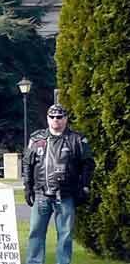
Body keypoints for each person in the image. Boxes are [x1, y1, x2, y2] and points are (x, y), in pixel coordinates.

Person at [22, 104, 95, 264]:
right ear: (48, 118)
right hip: (41, 194)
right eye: (53, 117)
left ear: (66, 119)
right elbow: (27, 163)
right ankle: (34, 262)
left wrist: (84, 186)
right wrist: (27, 187)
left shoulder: (77, 139)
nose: (56, 120)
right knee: (35, 233)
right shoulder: (36, 138)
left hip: (66, 195)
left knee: (65, 234)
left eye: (60, 117)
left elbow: (88, 164)